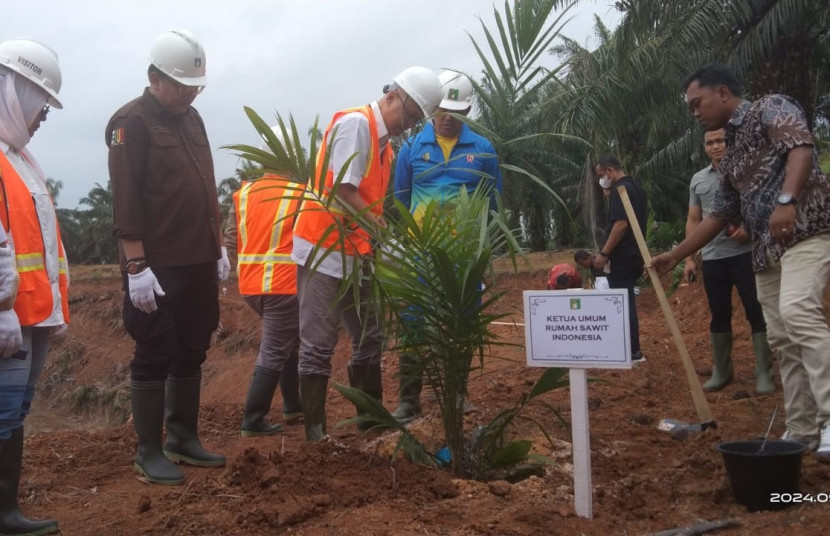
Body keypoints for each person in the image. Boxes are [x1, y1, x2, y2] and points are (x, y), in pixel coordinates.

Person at [651, 64, 830, 458]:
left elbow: (800, 147)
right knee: (783, 336)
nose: (694, 112)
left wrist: (787, 201)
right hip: (766, 252)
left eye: (697, 103)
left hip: (806, 232)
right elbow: (717, 215)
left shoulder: (771, 108)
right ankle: (803, 430)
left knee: (798, 312)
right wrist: (676, 256)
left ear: (723, 93)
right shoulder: (731, 152)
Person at [292, 66, 442, 441]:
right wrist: (385, 236)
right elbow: (343, 190)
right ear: (391, 96)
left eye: (413, 122)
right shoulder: (357, 126)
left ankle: (370, 419)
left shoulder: (385, 145)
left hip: (357, 250)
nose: (405, 125)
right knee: (318, 344)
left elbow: (369, 202)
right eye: (406, 115)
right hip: (324, 249)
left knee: (370, 335)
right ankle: (316, 434)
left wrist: (379, 241)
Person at [106, 29, 227, 485]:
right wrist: (135, 264)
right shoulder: (130, 122)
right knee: (155, 348)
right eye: (182, 85)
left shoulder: (193, 120)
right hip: (156, 263)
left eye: (196, 86)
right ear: (155, 78)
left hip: (198, 256)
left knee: (194, 343)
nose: (190, 93)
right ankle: (149, 450)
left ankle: (182, 437)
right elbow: (126, 198)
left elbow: (206, 181)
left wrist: (218, 246)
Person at [391, 70, 502, 423]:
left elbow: (492, 205)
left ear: (468, 111)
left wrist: (482, 254)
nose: (447, 119)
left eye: (455, 113)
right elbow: (400, 200)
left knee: (460, 321)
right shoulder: (411, 148)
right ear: (431, 108)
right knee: (412, 324)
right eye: (441, 111)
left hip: (463, 257)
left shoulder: (483, 151)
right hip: (419, 254)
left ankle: (455, 397)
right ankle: (409, 400)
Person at [0, 37, 65, 536]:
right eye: (41, 102)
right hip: (9, 316)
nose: (44, 116)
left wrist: (53, 308)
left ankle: (7, 510)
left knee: (15, 411)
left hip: (32, 314)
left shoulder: (21, 160)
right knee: (2, 413)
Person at [225, 128, 303, 436]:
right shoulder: (299, 194)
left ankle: (293, 405)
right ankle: (253, 420)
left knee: (287, 342)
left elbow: (233, 239)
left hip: (251, 286)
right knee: (274, 349)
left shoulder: (243, 193)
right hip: (284, 286)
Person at [683, 128, 774, 393]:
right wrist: (690, 259)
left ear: (729, 141)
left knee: (755, 310)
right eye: (709, 143)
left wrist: (748, 227)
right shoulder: (698, 179)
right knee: (719, 313)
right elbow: (694, 220)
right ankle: (722, 372)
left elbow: (763, 205)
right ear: (704, 148)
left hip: (745, 254)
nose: (715, 146)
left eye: (720, 140)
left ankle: (764, 373)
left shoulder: (746, 171)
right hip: (713, 258)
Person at [592, 156, 647, 363]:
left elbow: (620, 225)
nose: (601, 180)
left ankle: (632, 351)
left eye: (601, 176)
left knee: (622, 303)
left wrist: (604, 253)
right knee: (627, 301)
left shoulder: (619, 190)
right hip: (635, 255)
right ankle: (631, 349)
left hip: (622, 256)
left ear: (609, 171)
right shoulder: (636, 189)